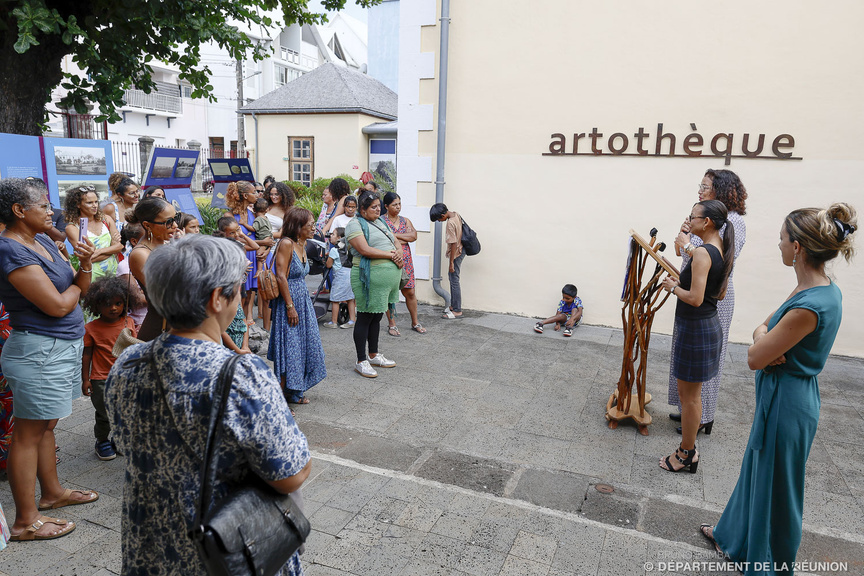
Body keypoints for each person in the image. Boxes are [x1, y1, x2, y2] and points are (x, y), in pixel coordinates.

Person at [105, 234, 311, 576]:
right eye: (237, 288)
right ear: (218, 298)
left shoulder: (128, 363)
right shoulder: (242, 374)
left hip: (151, 544)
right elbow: (290, 475)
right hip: (224, 549)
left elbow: (126, 443)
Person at [701, 203, 856, 575]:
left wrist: (764, 341)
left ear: (798, 247)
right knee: (756, 472)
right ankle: (735, 539)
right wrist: (764, 338)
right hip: (785, 397)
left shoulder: (810, 304)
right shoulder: (815, 287)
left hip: (788, 403)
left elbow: (754, 356)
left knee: (780, 490)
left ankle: (768, 564)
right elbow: (762, 329)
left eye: (783, 239)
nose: (779, 245)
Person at [0, 177, 98, 541]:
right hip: (39, 351)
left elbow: (79, 286)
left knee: (46, 427)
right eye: (42, 205)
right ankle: (25, 521)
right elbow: (58, 305)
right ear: (19, 211)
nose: (50, 211)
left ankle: (53, 494)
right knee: (27, 433)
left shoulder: (40, 239)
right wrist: (76, 285)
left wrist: (84, 265)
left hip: (58, 347)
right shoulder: (10, 249)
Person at [668, 169, 748, 435]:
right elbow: (685, 253)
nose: (700, 190)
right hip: (692, 284)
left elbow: (721, 261)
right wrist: (684, 239)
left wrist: (691, 248)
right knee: (689, 365)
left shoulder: (732, 221)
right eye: (699, 186)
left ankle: (703, 417)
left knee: (706, 362)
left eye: (705, 186)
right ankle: (689, 410)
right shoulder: (701, 215)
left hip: (713, 297)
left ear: (721, 190)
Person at [659, 200, 735, 473]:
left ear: (708, 223)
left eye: (693, 217)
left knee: (688, 398)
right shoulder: (721, 249)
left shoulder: (704, 253)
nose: (689, 220)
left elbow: (695, 298)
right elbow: (719, 293)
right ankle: (688, 448)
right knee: (691, 395)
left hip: (696, 329)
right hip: (706, 326)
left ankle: (686, 453)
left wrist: (672, 287)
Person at [268, 208, 327, 403]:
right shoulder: (286, 243)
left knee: (304, 345)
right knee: (289, 348)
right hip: (289, 301)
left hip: (302, 301)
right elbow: (281, 276)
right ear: (297, 226)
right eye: (309, 225)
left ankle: (295, 390)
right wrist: (289, 306)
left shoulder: (303, 243)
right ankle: (280, 398)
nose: (313, 228)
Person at [346, 190, 402, 378]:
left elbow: (395, 240)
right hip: (366, 278)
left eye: (379, 206)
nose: (378, 210)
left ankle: (373, 354)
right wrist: (391, 255)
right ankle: (361, 360)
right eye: (373, 207)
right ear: (362, 210)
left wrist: (399, 253)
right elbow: (364, 249)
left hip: (386, 279)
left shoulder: (381, 222)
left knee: (377, 315)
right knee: (365, 316)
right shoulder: (354, 224)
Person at [81, 276, 136, 461]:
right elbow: (87, 354)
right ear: (96, 306)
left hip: (126, 377)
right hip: (101, 378)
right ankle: (102, 440)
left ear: (125, 302)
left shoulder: (128, 322)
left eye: (118, 303)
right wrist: (86, 379)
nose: (113, 308)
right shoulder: (91, 328)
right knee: (104, 412)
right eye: (107, 304)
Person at [126, 197, 177, 341]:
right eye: (168, 222)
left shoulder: (167, 244)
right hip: (161, 329)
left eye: (175, 218)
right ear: (147, 225)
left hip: (180, 325)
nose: (175, 225)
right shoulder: (141, 254)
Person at [382, 192, 425, 335]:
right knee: (390, 294)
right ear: (386, 206)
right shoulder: (381, 222)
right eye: (394, 205)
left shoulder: (405, 221)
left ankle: (415, 322)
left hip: (406, 261)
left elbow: (413, 236)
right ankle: (392, 324)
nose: (398, 207)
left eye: (399, 204)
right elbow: (383, 240)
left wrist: (393, 236)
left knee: (410, 292)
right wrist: (402, 238)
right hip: (389, 260)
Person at [64, 185, 122, 282]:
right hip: (91, 277)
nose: (94, 205)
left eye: (96, 202)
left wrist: (97, 252)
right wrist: (111, 249)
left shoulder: (106, 219)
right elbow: (86, 258)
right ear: (78, 204)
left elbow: (119, 246)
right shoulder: (72, 227)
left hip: (114, 273)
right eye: (89, 203)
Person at [224, 181, 259, 323]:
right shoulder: (229, 216)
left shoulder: (252, 213)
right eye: (254, 192)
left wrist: (261, 247)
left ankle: (248, 319)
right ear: (245, 195)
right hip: (240, 257)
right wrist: (260, 244)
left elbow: (258, 236)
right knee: (240, 293)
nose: (257, 195)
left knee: (250, 292)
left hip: (252, 255)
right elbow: (234, 241)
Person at [430, 203, 465, 319]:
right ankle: (454, 306)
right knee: (453, 278)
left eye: (439, 219)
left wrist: (451, 263)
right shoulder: (455, 214)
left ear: (442, 215)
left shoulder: (450, 223)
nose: (440, 222)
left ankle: (457, 310)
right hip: (462, 249)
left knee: (454, 280)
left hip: (457, 252)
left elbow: (453, 243)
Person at [117, 223, 148, 331]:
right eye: (148, 239)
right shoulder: (125, 266)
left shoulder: (155, 262)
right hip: (139, 324)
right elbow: (137, 299)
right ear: (134, 241)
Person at [323, 227, 356, 329]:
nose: (330, 236)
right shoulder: (349, 248)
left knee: (335, 299)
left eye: (333, 234)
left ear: (339, 238)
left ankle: (333, 322)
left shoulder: (334, 249)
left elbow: (329, 265)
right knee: (350, 298)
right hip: (350, 274)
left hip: (340, 276)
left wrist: (327, 259)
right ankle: (352, 320)